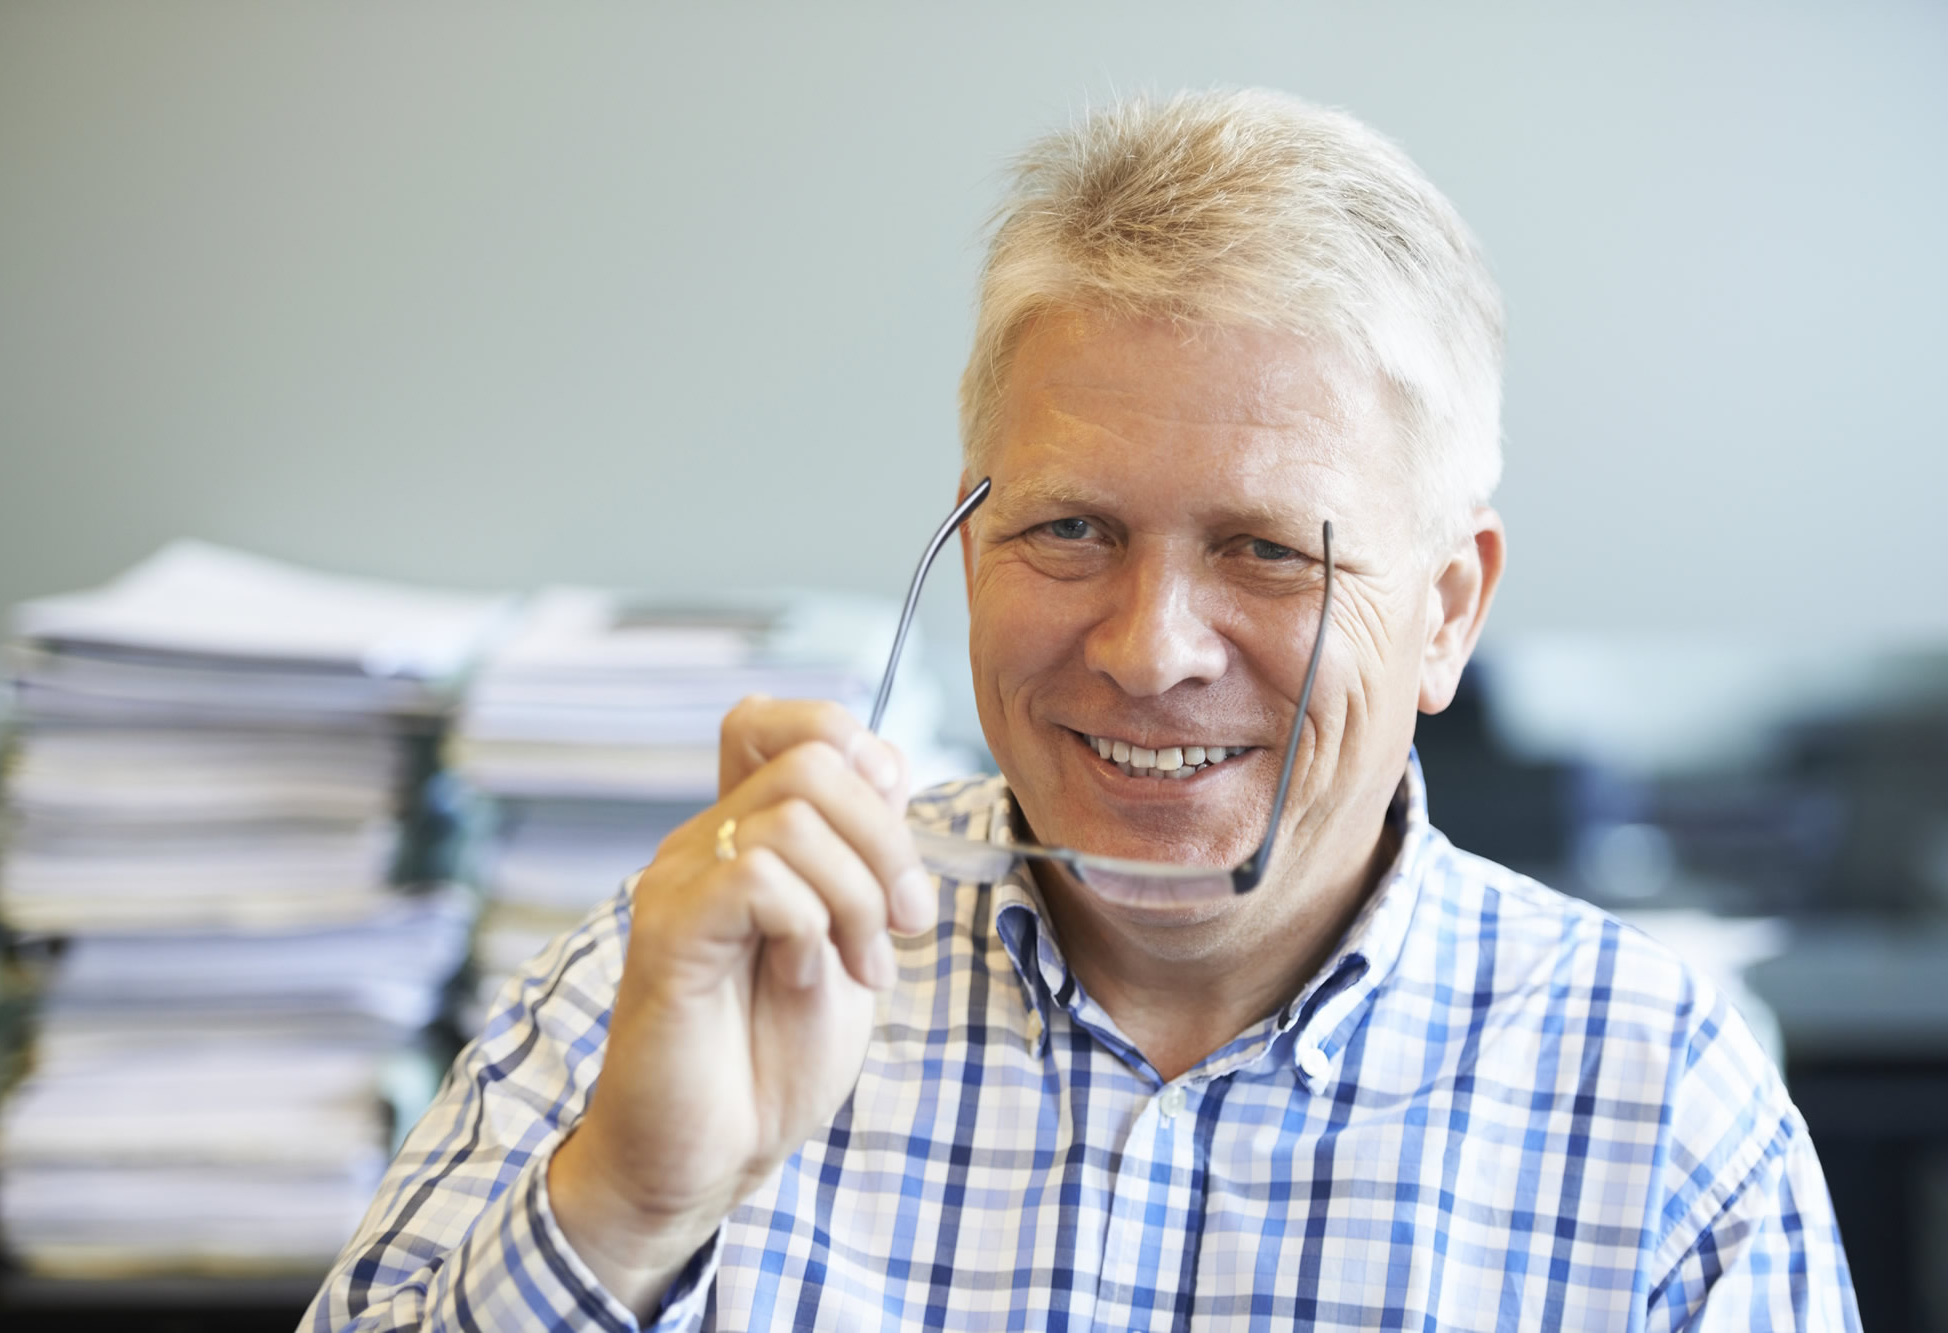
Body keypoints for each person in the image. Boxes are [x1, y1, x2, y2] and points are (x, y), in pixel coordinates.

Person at [303, 90, 1857, 1331]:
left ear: (1448, 606)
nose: (1148, 648)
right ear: (970, 543)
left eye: (1263, 548)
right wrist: (625, 1209)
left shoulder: (1665, 1114)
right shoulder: (676, 987)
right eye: (1070, 530)